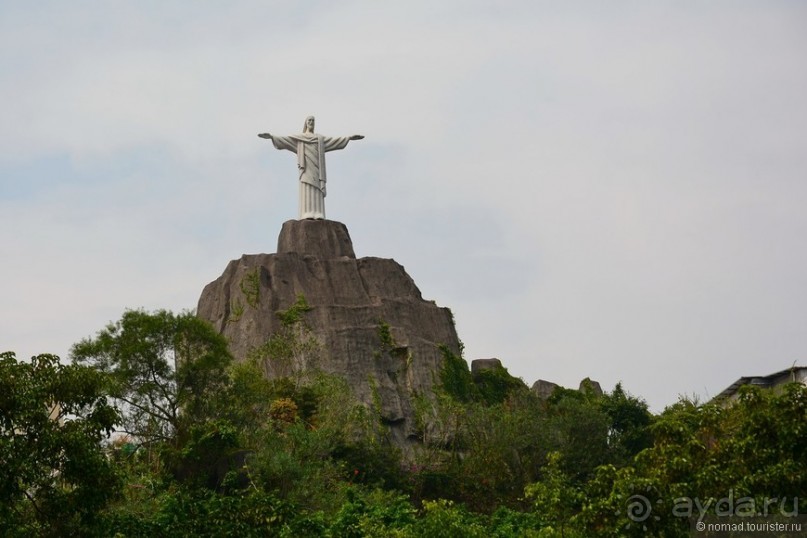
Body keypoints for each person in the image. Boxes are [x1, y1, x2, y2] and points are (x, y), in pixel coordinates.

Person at [259, 116, 363, 220]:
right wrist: (272, 137)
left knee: (317, 189)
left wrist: (348, 138)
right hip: (306, 168)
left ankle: (318, 212)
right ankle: (306, 212)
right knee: (307, 187)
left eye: (313, 120)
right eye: (309, 120)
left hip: (317, 168)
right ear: (305, 123)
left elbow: (333, 141)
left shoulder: (320, 139)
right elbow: (286, 140)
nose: (311, 122)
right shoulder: (300, 138)